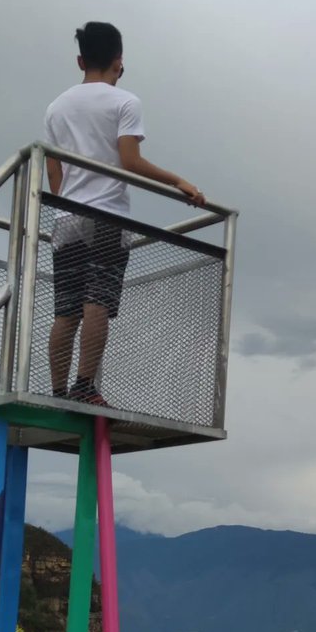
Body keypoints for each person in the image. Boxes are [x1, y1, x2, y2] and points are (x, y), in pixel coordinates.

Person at [44, 21, 206, 407]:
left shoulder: (57, 106)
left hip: (67, 217)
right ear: (119, 61)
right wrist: (177, 181)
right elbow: (129, 161)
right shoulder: (124, 102)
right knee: (97, 300)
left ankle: (57, 392)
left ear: (80, 59)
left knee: (66, 310)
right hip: (106, 214)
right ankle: (85, 386)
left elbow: (54, 170)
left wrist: (68, 198)